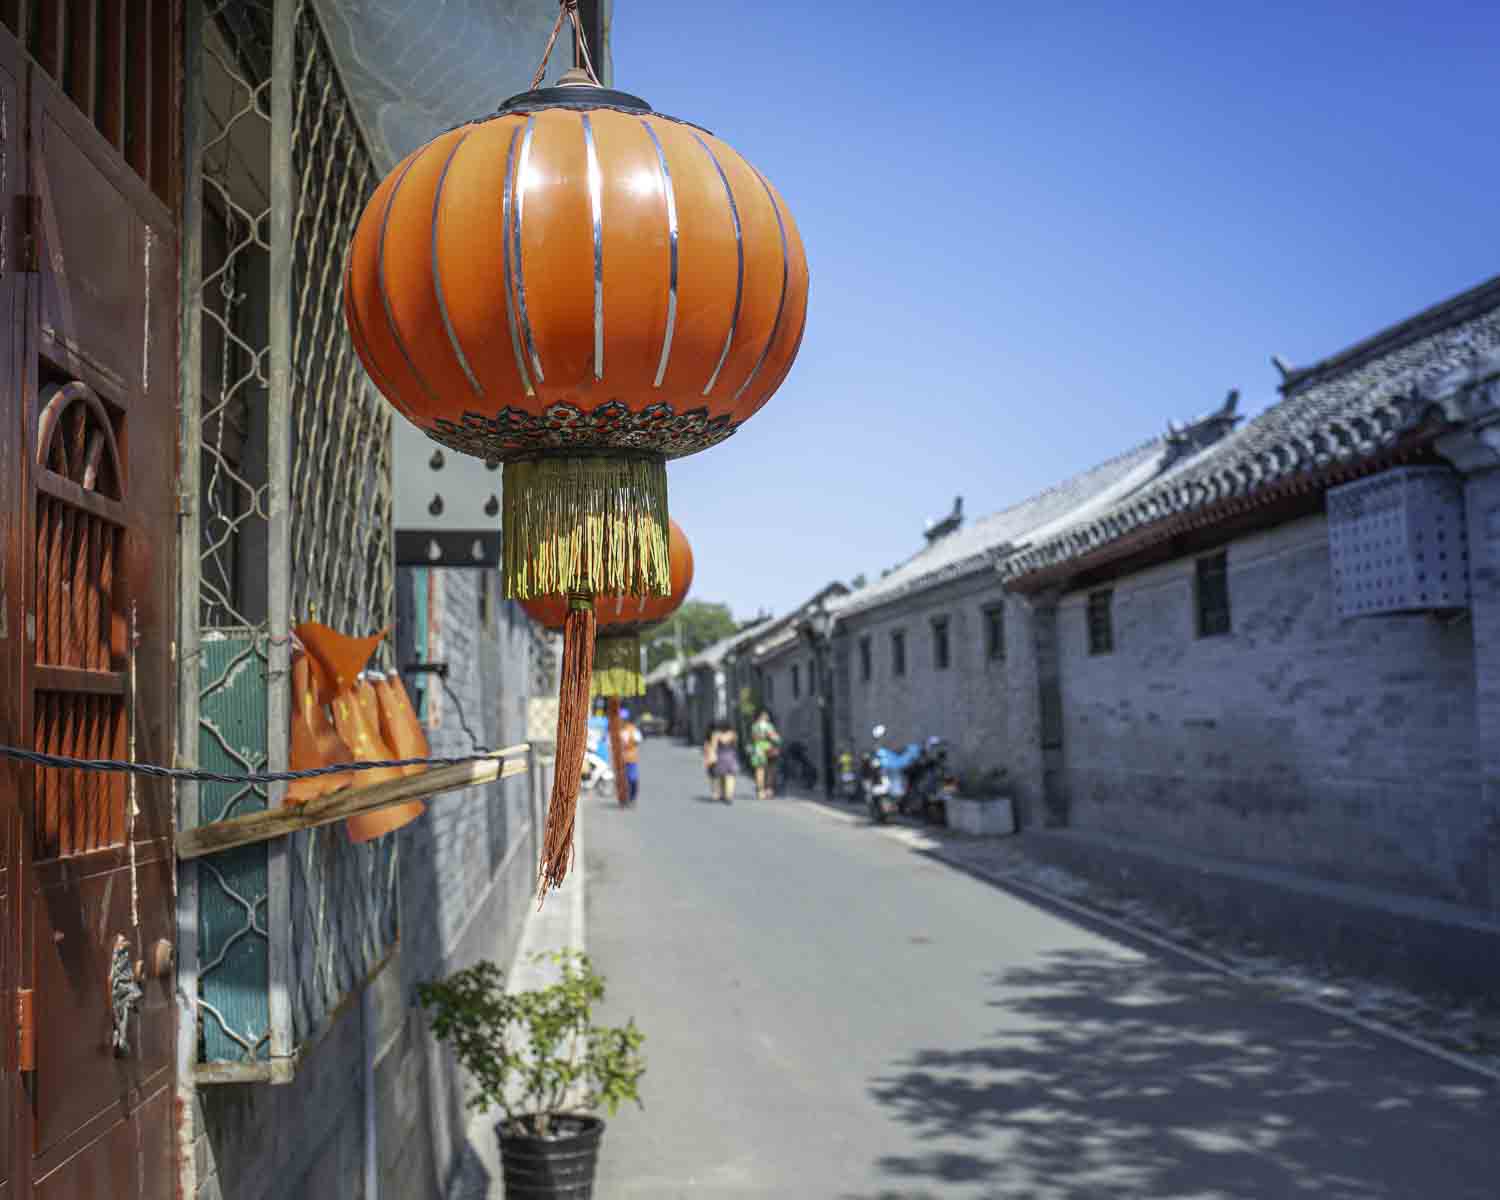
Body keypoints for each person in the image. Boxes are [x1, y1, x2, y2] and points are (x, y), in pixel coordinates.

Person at [748, 708, 782, 801]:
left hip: (763, 749)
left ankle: (764, 790)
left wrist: (774, 737)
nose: (765, 717)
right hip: (764, 749)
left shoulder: (756, 726)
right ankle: (764, 790)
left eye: (766, 715)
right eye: (764, 715)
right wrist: (771, 736)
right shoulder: (762, 726)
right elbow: (773, 737)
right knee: (764, 770)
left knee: (765, 770)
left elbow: (775, 737)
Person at [703, 722, 739, 804]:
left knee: (720, 776)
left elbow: (714, 747)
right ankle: (729, 795)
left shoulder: (716, 735)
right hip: (731, 756)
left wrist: (710, 757)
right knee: (730, 777)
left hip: (721, 757)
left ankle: (718, 793)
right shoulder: (733, 734)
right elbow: (735, 745)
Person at [618, 708, 642, 806]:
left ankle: (632, 797)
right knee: (623, 780)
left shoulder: (632, 729)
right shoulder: (618, 730)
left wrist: (629, 742)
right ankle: (624, 798)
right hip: (621, 759)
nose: (621, 721)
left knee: (632, 779)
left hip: (631, 759)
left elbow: (638, 740)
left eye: (623, 719)